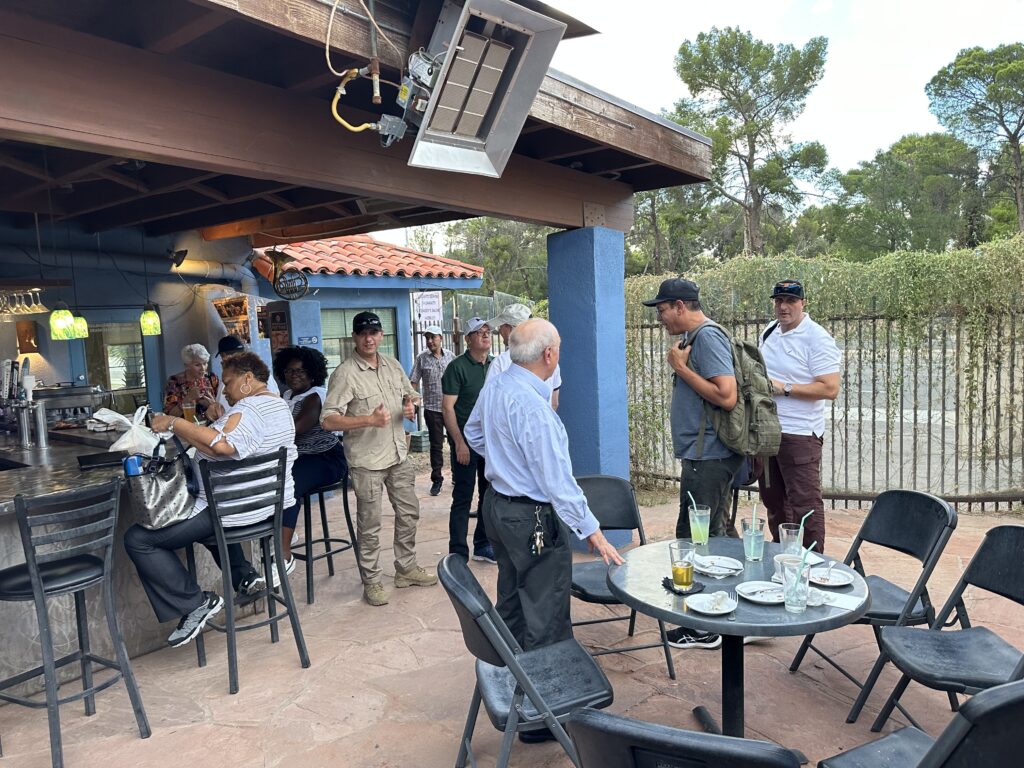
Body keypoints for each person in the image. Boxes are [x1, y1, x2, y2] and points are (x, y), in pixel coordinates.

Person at [465, 319, 622, 743]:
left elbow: (473, 432)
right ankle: (542, 715)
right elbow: (558, 483)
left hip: (497, 508)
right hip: (530, 516)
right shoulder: (535, 409)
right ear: (548, 355)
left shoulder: (497, 385)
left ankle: (513, 688)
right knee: (546, 611)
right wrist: (594, 532)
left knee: (513, 600)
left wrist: (505, 460)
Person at [125, 352, 297, 648]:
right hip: (265, 506)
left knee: (139, 539)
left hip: (231, 511)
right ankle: (245, 577)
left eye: (228, 383)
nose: (225, 390)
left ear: (247, 379)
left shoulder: (249, 409)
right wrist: (216, 424)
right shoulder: (277, 405)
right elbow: (233, 437)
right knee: (205, 524)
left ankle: (194, 603)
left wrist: (172, 424)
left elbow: (224, 446)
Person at [645, 277, 741, 651]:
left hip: (710, 457)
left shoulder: (708, 338)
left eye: (663, 310)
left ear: (681, 306)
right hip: (703, 456)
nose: (661, 318)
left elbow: (727, 396)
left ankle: (709, 624)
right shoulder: (695, 339)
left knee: (698, 541)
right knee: (712, 536)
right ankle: (728, 617)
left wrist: (681, 369)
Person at [320, 311, 436, 607]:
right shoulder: (345, 373)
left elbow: (411, 394)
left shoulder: (392, 365)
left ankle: (406, 568)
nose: (369, 338)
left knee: (409, 513)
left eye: (373, 332)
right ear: (355, 338)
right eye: (362, 334)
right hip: (367, 462)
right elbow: (328, 420)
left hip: (398, 455)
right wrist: (368, 420)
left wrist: (410, 405)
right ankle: (371, 580)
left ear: (381, 335)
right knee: (370, 524)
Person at [758, 279, 841, 552]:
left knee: (805, 502)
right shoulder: (770, 331)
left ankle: (813, 564)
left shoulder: (817, 338)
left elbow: (830, 388)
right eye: (778, 300)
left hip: (801, 434)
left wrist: (786, 389)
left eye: (790, 301)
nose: (783, 307)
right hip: (769, 430)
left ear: (803, 303)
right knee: (773, 500)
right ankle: (782, 556)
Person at [273, 345, 349, 567]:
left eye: (301, 371)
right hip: (297, 457)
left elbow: (297, 428)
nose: (294, 375)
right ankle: (276, 536)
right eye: (289, 371)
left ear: (312, 373)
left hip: (325, 458)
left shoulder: (315, 396)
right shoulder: (286, 395)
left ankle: (283, 554)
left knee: (288, 485)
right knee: (270, 479)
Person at [441, 317, 494, 564]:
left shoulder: (495, 366)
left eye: (487, 331)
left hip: (490, 444)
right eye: (479, 332)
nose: (485, 335)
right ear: (468, 339)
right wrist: (460, 443)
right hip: (465, 443)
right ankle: (458, 552)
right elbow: (448, 409)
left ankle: (483, 546)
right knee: (463, 496)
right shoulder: (457, 367)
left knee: (488, 494)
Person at [485, 303, 561, 409]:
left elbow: (488, 402)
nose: (500, 330)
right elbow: (554, 402)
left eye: (501, 326)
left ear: (510, 328)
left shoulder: (500, 362)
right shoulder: (549, 358)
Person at [409, 326, 455, 497]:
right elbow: (413, 382)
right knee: (436, 446)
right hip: (432, 409)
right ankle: (437, 479)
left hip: (451, 408)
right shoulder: (422, 359)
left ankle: (456, 476)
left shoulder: (451, 356)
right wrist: (413, 402)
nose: (429, 341)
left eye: (432, 337)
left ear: (440, 338)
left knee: (455, 442)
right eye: (427, 338)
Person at [212, 335, 279, 416]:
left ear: (223, 356)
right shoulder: (267, 376)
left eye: (227, 384)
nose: (224, 390)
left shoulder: (232, 378)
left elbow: (223, 413)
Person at [163, 344, 218, 420]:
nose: (203, 368)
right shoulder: (175, 381)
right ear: (187, 366)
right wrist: (188, 398)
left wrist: (211, 404)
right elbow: (169, 415)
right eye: (197, 365)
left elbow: (221, 410)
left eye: (205, 363)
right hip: (184, 428)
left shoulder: (212, 378)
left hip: (210, 426)